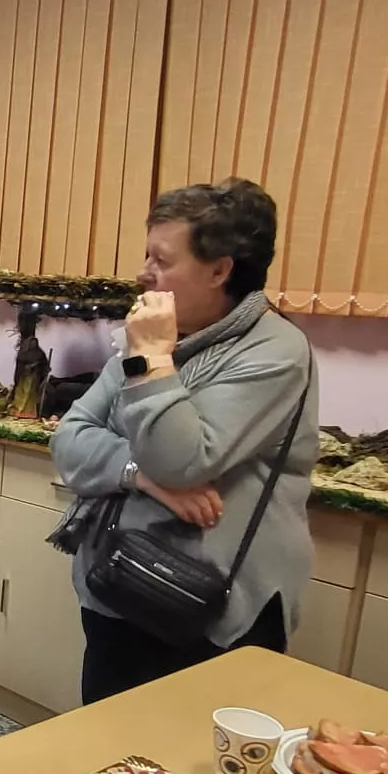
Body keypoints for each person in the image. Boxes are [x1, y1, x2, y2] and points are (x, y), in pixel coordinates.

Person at [51, 178, 318, 704]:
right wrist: (139, 475)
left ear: (220, 270)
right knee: (105, 749)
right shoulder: (156, 335)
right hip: (120, 584)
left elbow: (182, 461)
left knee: (191, 771)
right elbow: (71, 439)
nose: (143, 273)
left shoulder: (276, 352)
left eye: (162, 260)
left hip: (213, 610)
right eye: (147, 254)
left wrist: (150, 361)